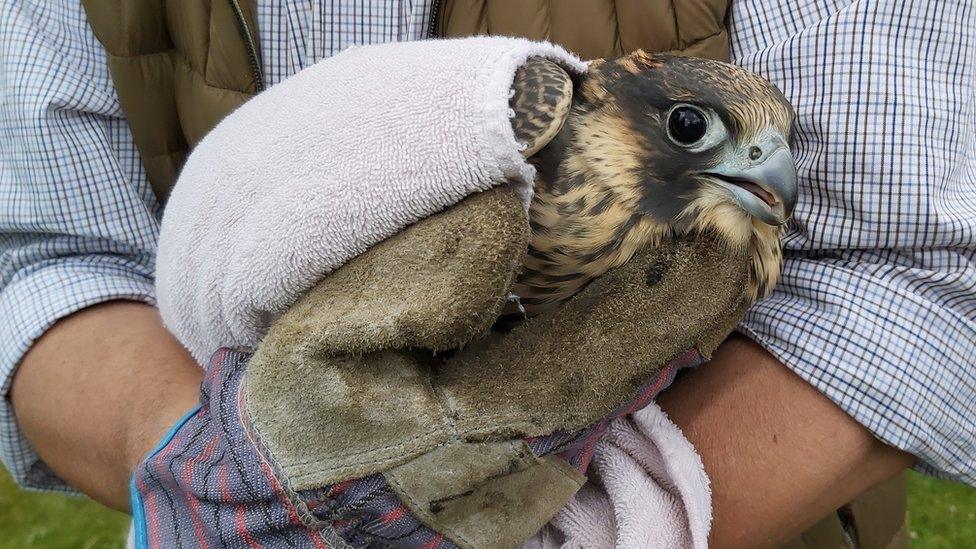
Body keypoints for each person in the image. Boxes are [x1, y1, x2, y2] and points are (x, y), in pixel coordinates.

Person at [1, 1, 972, 547]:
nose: (764, 171)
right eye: (701, 133)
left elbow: (910, 271)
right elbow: (47, 253)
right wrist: (250, 495)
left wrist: (581, 533)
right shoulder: (541, 138)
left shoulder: (712, 234)